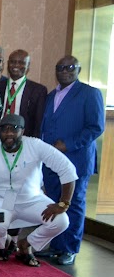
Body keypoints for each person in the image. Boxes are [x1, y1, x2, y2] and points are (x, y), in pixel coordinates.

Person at [0, 114, 77, 267]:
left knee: (61, 221)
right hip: (3, 201)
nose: (9, 133)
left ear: (22, 131)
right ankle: (7, 244)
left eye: (14, 129)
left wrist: (64, 203)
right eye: (4, 129)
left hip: (32, 200)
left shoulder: (35, 145)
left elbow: (67, 169)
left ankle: (26, 245)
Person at [39, 56, 105, 265]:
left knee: (73, 203)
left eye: (70, 67)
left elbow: (96, 127)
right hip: (51, 161)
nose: (65, 71)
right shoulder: (51, 96)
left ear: (79, 69)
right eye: (61, 67)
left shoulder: (89, 93)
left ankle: (70, 248)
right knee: (53, 202)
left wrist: (69, 143)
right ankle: (56, 245)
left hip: (76, 159)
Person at [0, 49, 48, 143]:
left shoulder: (38, 90)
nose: (16, 65)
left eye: (21, 63)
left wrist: (34, 144)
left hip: (23, 141)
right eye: (13, 62)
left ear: (28, 66)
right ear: (7, 64)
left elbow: (38, 122)